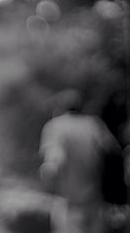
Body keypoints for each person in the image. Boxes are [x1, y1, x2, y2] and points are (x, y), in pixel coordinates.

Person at [39, 89, 124, 233]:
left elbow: (55, 161)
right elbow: (114, 151)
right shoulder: (94, 124)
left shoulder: (56, 126)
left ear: (60, 107)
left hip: (69, 204)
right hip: (96, 202)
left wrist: (46, 177)